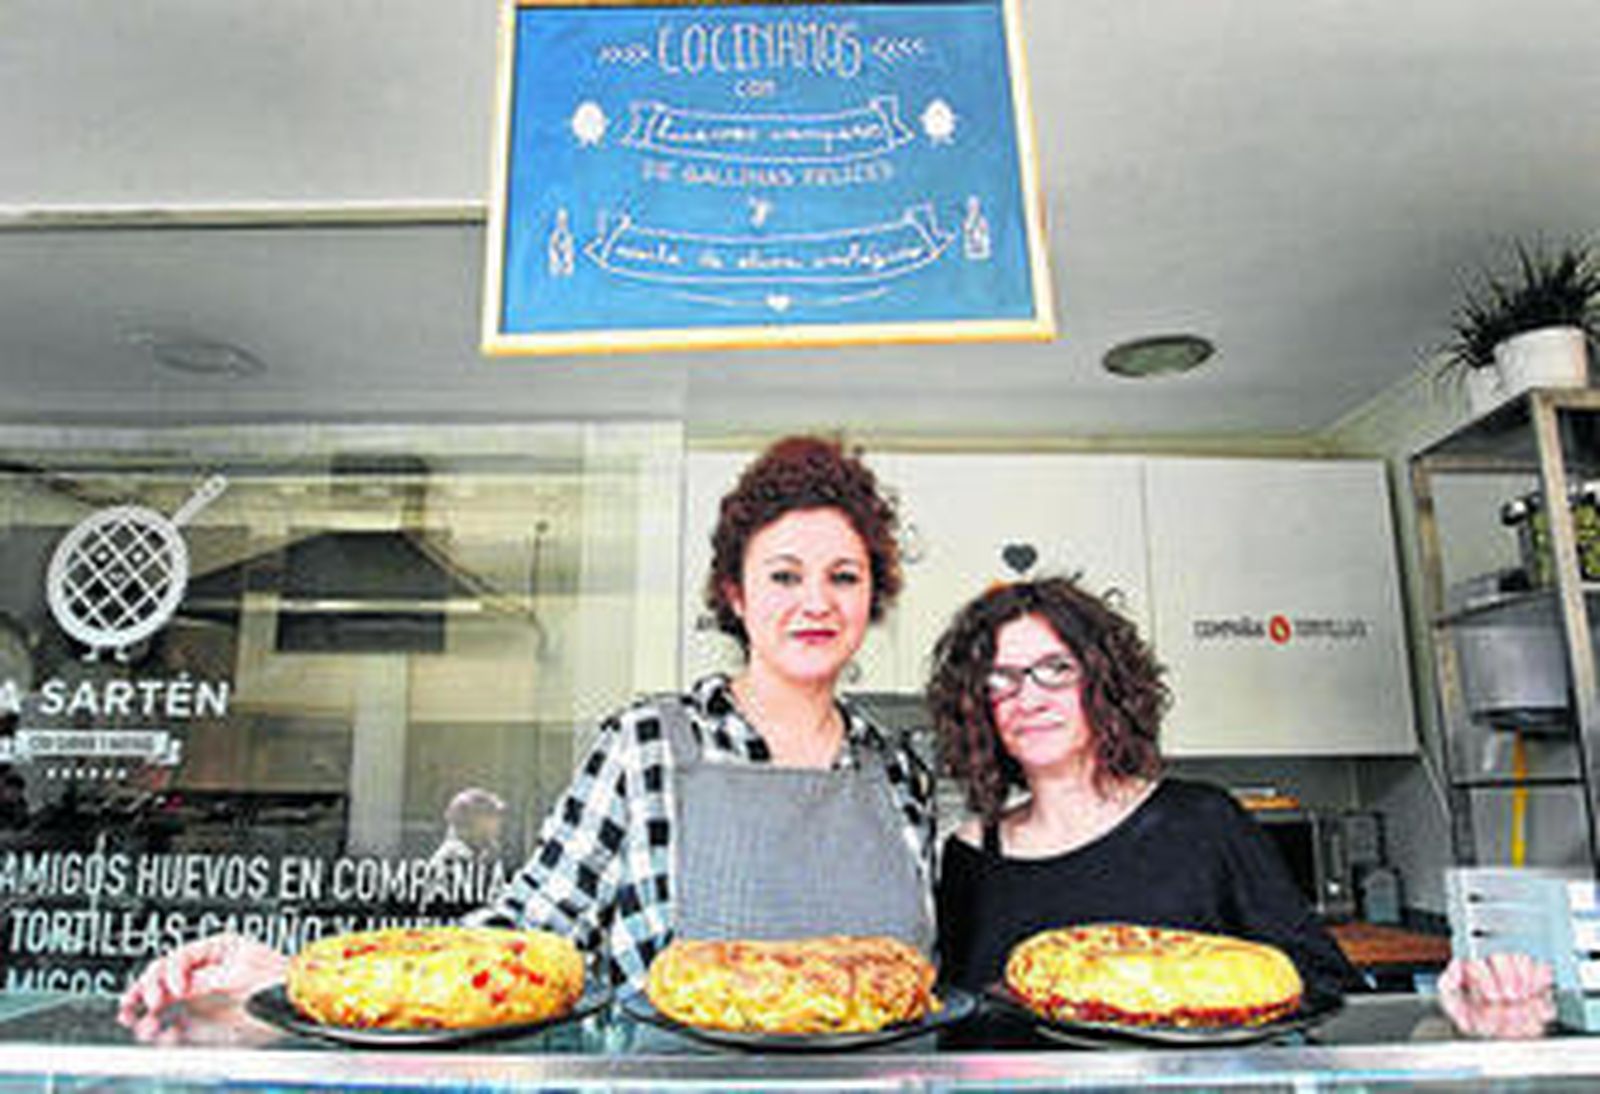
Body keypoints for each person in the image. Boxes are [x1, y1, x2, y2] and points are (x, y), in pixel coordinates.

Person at [119, 435, 933, 1032]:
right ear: (735, 593)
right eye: (783, 575)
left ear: (874, 595)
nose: (815, 603)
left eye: (844, 576)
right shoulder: (650, 744)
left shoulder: (900, 774)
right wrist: (290, 974)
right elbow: (524, 939)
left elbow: (920, 988)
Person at [927, 576, 1358, 1001]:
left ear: (1105, 682)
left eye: (1057, 668)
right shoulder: (969, 854)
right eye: (1000, 678)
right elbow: (959, 1020)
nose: (1029, 699)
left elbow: (1323, 983)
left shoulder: (1202, 823)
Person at [426, 787, 507, 872]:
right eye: (491, 815)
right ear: (475, 819)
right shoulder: (452, 859)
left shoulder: (486, 854)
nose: (499, 823)